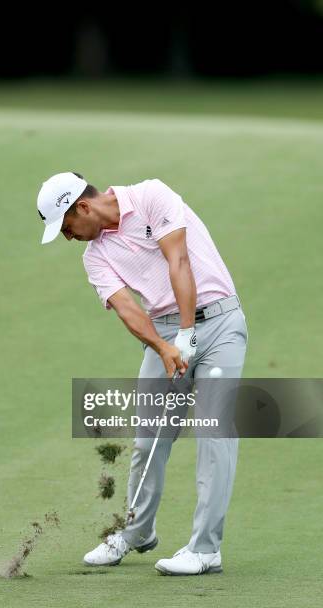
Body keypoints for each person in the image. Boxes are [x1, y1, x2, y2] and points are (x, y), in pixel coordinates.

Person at [37, 171, 248, 575]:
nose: (69, 237)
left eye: (67, 228)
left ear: (82, 207)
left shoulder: (152, 195)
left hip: (220, 324)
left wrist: (187, 333)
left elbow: (179, 259)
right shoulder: (94, 257)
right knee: (147, 437)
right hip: (166, 332)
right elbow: (129, 310)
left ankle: (205, 549)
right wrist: (165, 346)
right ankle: (136, 532)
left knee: (213, 432)